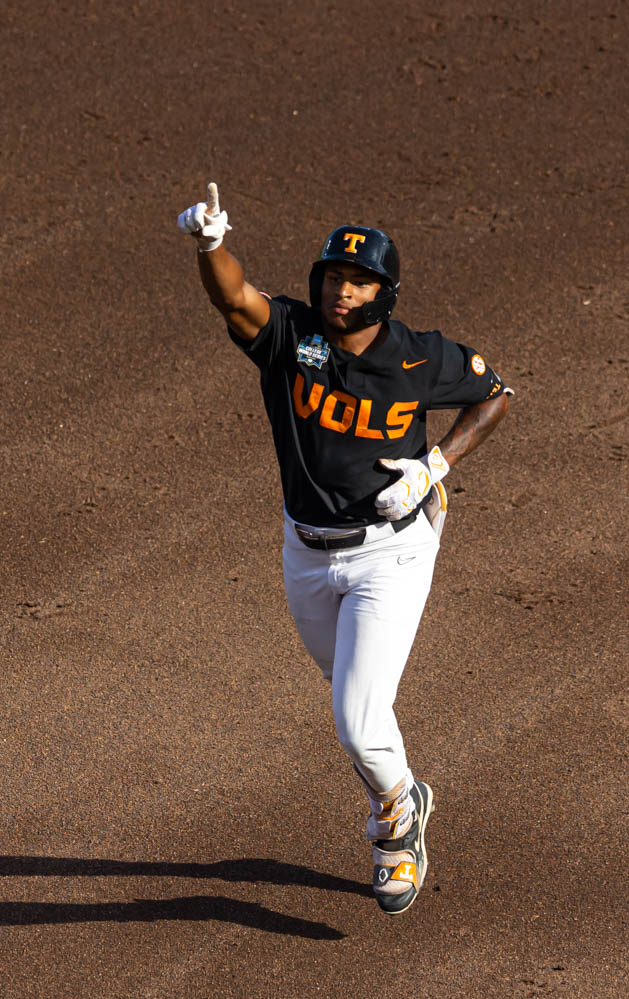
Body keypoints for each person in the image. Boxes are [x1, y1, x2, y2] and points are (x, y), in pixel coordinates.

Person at [177, 187, 512, 915]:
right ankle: (406, 791)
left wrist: (437, 465)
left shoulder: (419, 359)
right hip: (304, 549)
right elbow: (235, 299)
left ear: (384, 293)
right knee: (351, 702)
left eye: (357, 280)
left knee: (359, 718)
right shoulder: (293, 338)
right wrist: (210, 247)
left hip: (391, 552)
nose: (340, 290)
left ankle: (395, 828)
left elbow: (494, 395)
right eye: (332, 276)